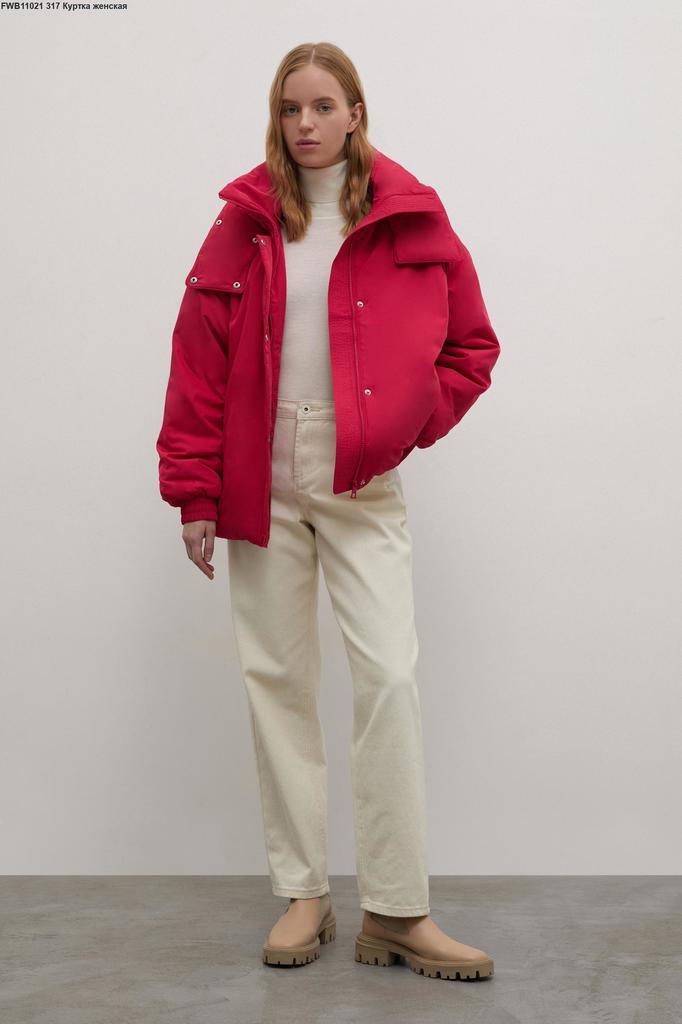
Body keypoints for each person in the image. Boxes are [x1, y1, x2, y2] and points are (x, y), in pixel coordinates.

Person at [156, 41, 500, 982]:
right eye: (289, 108)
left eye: (321, 106)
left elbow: (471, 346)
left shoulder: (409, 215)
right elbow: (198, 361)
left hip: (361, 476)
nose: (304, 123)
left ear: (355, 113)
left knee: (388, 675)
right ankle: (303, 894)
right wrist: (193, 490)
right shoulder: (245, 223)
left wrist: (400, 426)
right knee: (278, 679)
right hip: (257, 469)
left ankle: (396, 907)